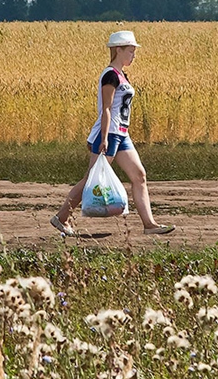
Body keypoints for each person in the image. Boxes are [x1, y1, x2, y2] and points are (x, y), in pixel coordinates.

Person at [51, 30, 175, 236]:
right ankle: (61, 217)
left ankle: (149, 224)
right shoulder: (110, 75)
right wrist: (105, 137)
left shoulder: (121, 75)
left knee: (139, 175)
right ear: (118, 50)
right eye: (130, 51)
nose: (133, 55)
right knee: (92, 178)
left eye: (134, 51)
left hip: (122, 134)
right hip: (110, 133)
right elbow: (106, 108)